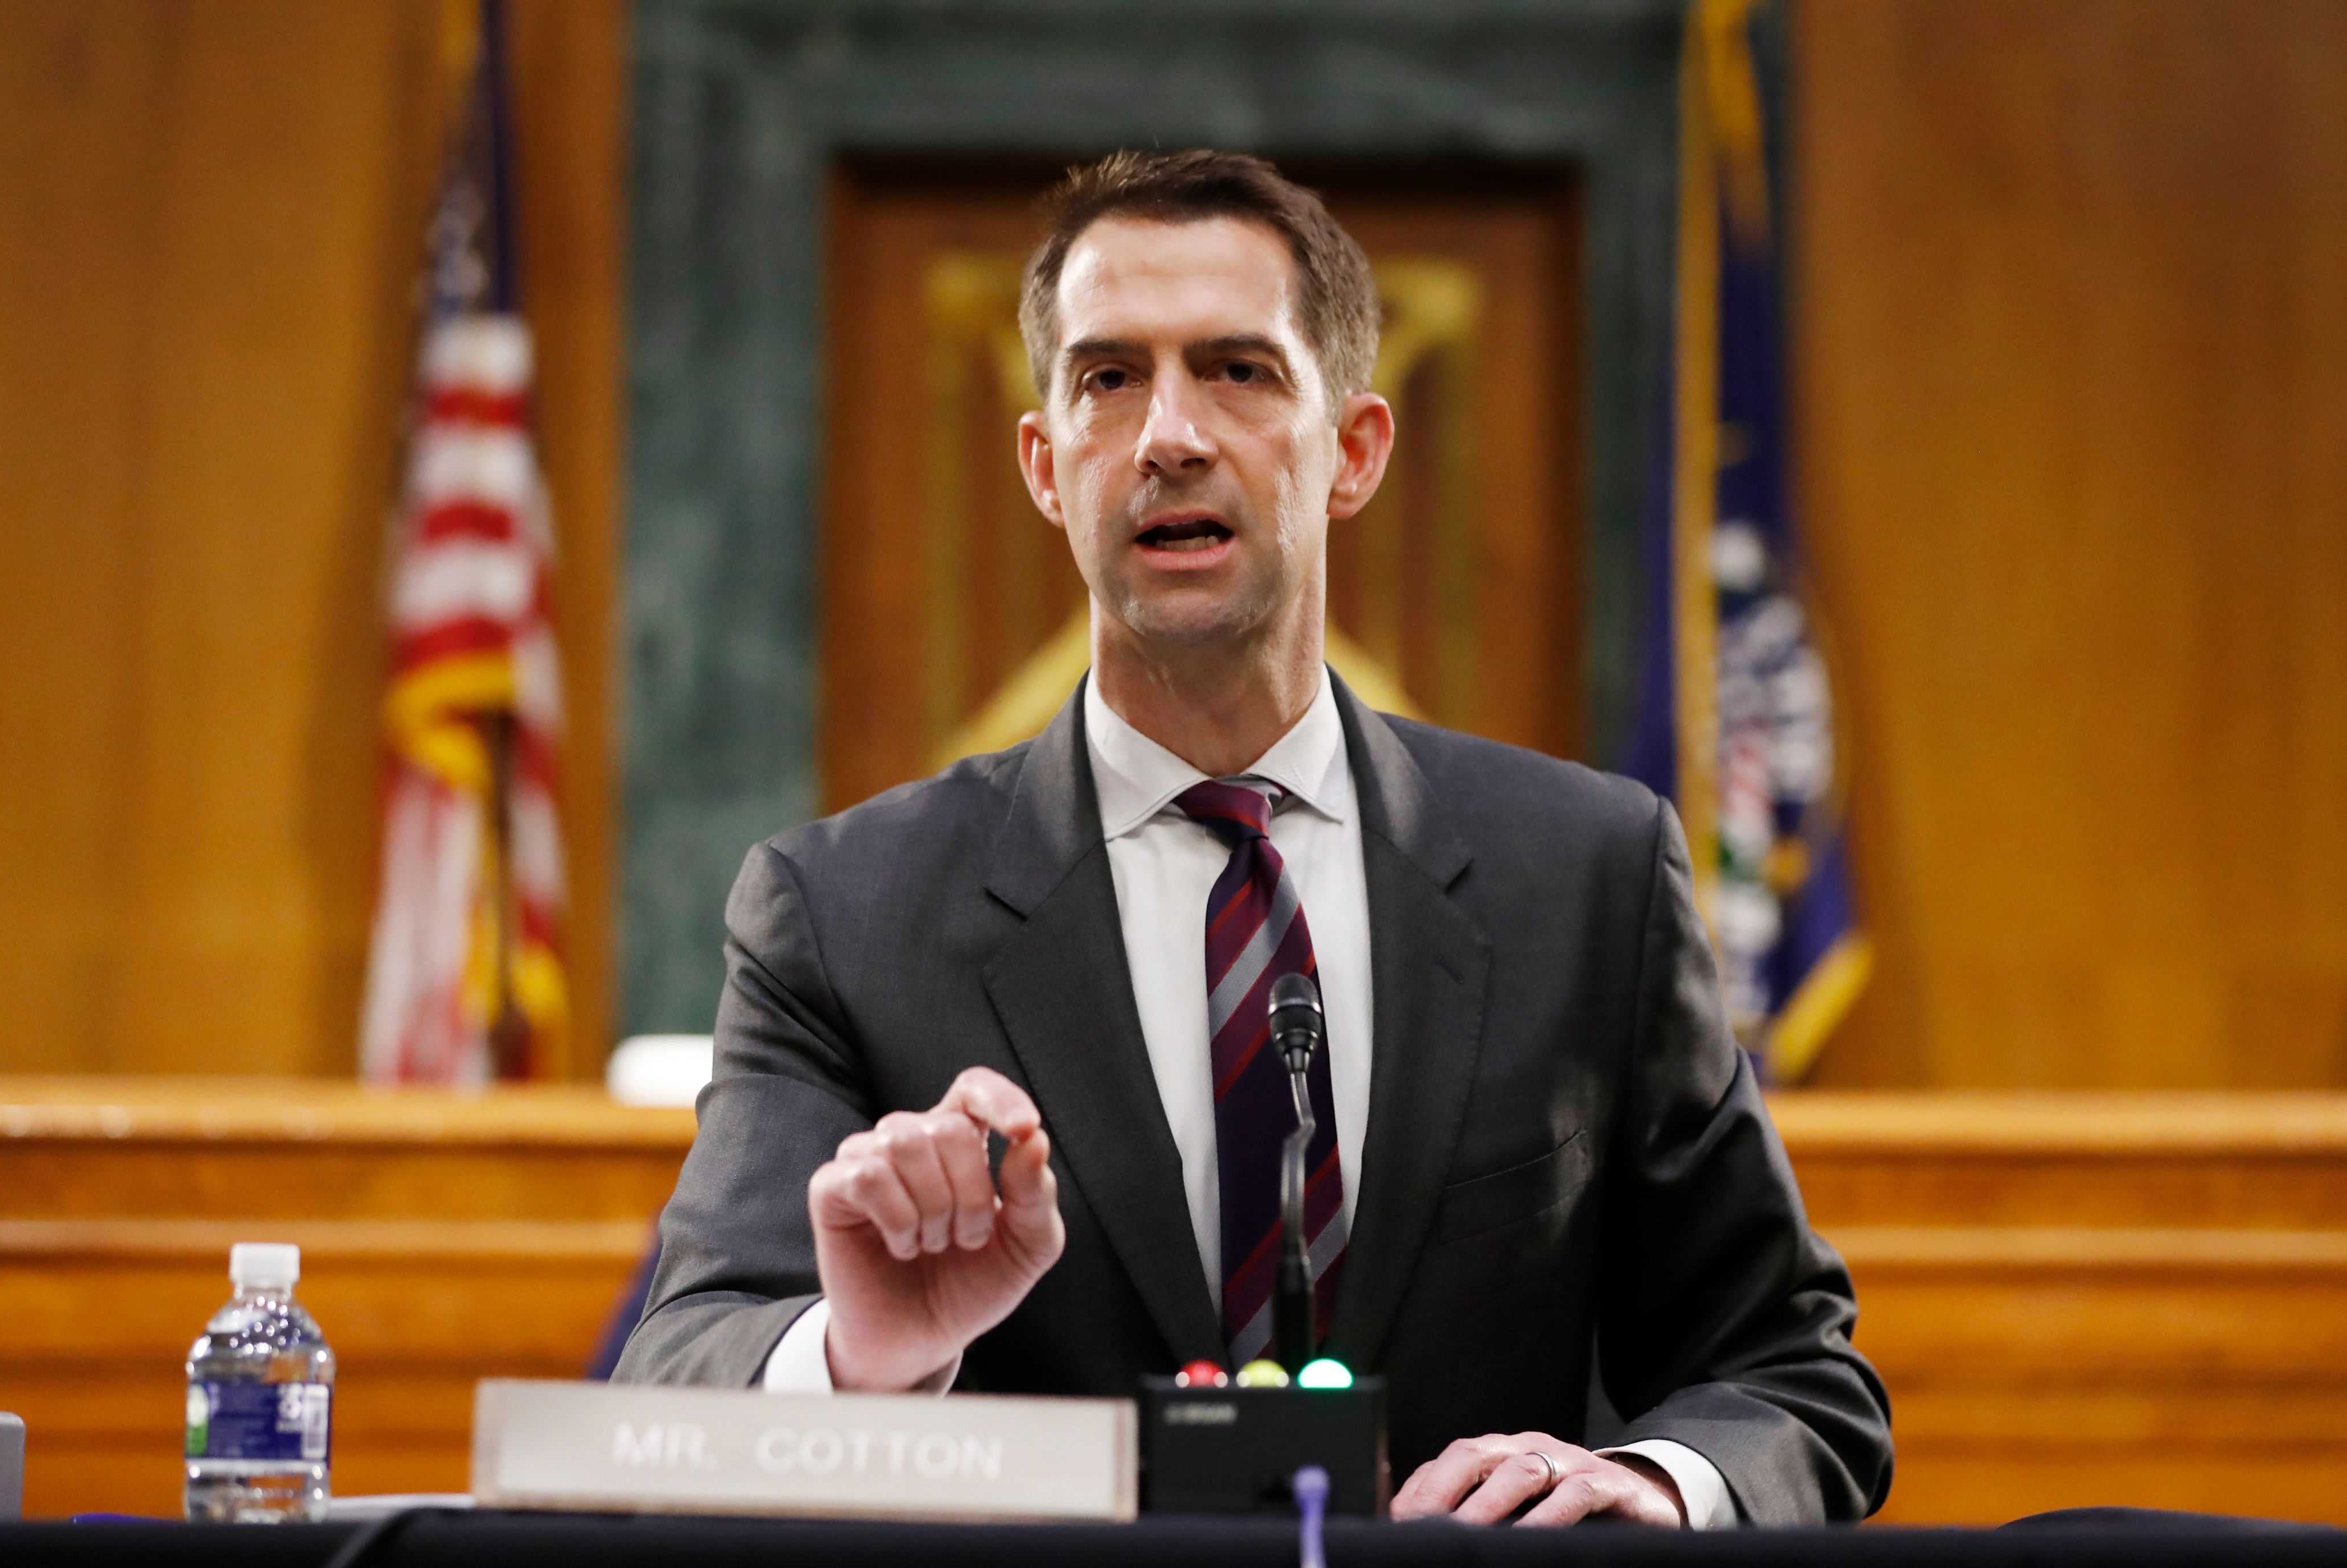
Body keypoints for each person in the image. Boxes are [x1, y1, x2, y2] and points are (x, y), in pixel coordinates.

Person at [614, 149, 1892, 1529]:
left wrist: (1649, 1483)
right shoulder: (842, 912)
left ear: (1353, 450)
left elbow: (1790, 1376)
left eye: (1238, 370)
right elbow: (673, 1390)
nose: (1168, 431)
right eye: (1108, 378)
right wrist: (867, 1357)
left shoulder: (1584, 878)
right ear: (1046, 467)